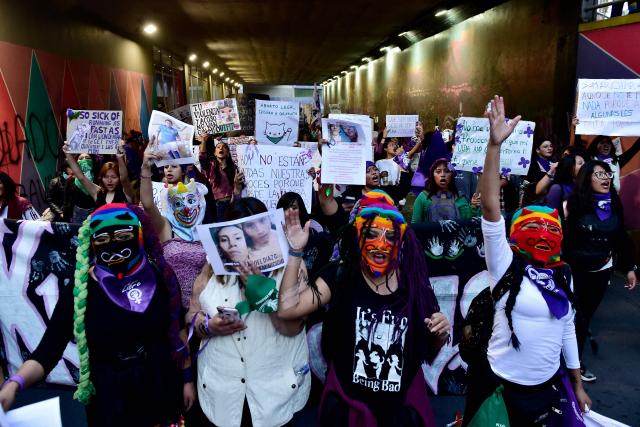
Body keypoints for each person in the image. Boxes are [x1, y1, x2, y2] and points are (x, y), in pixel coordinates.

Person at [0, 203, 195, 426]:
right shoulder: (81, 291)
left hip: (159, 384)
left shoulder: (162, 277)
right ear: (92, 243)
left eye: (123, 235)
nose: (113, 245)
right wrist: (15, 383)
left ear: (138, 236)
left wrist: (187, 379)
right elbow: (48, 350)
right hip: (110, 398)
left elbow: (177, 331)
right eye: (102, 240)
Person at [463, 95, 590, 426]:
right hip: (499, 390)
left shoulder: (563, 275)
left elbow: (566, 328)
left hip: (546, 391)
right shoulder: (505, 264)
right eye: (534, 227)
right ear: (516, 234)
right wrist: (494, 146)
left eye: (550, 228)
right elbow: (491, 208)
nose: (543, 233)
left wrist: (576, 383)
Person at [278, 189, 450, 426]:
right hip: (349, 410)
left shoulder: (414, 284)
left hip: (400, 412)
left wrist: (440, 332)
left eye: (389, 236)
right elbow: (288, 309)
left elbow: (431, 345)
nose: (381, 244)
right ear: (358, 236)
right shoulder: (339, 276)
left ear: (400, 240)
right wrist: (296, 251)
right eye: (371, 234)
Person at [186, 197, 310, 427]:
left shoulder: (291, 268)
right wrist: (207, 326)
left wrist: (262, 291)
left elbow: (292, 328)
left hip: (274, 396)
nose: (236, 243)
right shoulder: (212, 268)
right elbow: (192, 315)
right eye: (230, 236)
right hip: (221, 394)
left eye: (246, 234)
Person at [562, 160, 637, 382]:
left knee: (584, 319)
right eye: (599, 174)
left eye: (607, 174)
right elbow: (565, 241)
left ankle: (574, 365)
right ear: (587, 178)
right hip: (574, 271)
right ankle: (557, 361)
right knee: (568, 317)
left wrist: (630, 267)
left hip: (601, 271)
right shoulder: (573, 205)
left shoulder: (614, 204)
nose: (605, 178)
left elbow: (621, 238)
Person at [140, 148, 209, 309]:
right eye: (178, 204)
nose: (185, 209)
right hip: (170, 306)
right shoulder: (166, 227)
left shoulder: (206, 233)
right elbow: (148, 204)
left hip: (201, 310)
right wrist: (145, 168)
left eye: (191, 202)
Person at [63, 141, 135, 207]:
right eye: (106, 177)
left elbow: (124, 178)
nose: (109, 180)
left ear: (119, 178)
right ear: (101, 178)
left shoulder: (126, 193)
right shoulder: (98, 193)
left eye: (113, 177)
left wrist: (120, 158)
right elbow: (81, 177)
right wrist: (68, 154)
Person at [411, 158, 480, 223]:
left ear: (452, 175)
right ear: (432, 175)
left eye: (447, 171)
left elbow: (468, 222)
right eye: (438, 171)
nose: (443, 175)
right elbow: (415, 225)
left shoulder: (460, 198)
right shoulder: (423, 197)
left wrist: (474, 206)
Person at [206, 141, 241, 221]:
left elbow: (239, 188)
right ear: (215, 153)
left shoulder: (234, 169)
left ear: (228, 153)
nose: (221, 148)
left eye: (224, 147)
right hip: (217, 206)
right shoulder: (210, 168)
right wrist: (204, 141)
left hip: (233, 203)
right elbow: (202, 157)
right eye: (218, 147)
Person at [544, 153, 585, 218]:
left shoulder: (585, 186)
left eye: (585, 163)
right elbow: (550, 216)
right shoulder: (557, 188)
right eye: (580, 163)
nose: (585, 166)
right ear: (569, 167)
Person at [62, 152, 97, 223]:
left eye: (87, 158)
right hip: (77, 215)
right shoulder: (71, 180)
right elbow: (66, 201)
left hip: (95, 214)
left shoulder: (98, 178)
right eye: (81, 158)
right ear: (76, 163)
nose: (84, 160)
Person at [522, 138, 557, 205]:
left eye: (551, 146)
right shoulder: (533, 165)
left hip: (551, 201)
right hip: (536, 202)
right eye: (545, 146)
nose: (549, 148)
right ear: (538, 150)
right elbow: (534, 189)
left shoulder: (554, 164)